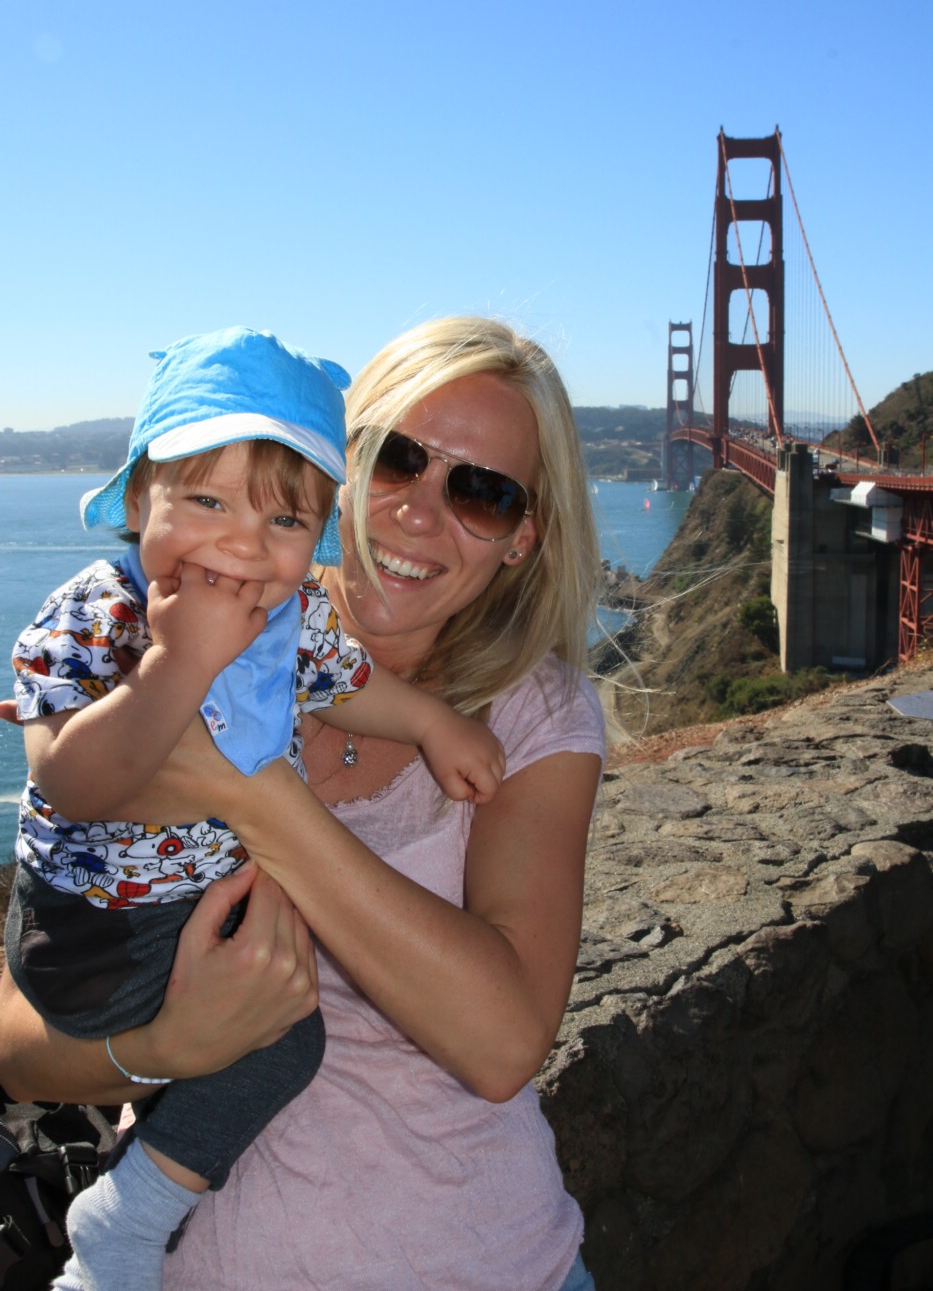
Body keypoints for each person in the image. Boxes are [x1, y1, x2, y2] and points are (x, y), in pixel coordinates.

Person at [0, 316, 605, 1291]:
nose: (418, 512)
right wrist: (161, 1048)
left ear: (521, 536)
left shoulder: (531, 714)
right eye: (397, 458)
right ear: (339, 464)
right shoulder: (148, 636)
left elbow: (501, 1044)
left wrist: (246, 791)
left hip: (484, 1261)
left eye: (482, 492)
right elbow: (17, 1044)